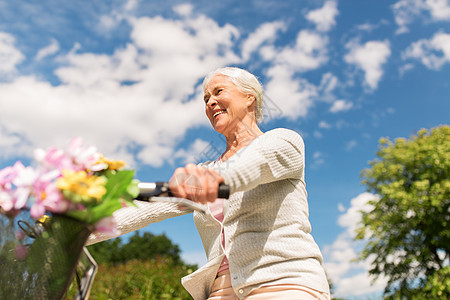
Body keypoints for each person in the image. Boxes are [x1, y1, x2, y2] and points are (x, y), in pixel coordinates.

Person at [87, 67, 331, 299]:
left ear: (250, 98)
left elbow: (250, 167)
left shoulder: (283, 141)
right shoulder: (205, 173)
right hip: (221, 290)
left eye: (218, 92)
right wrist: (72, 230)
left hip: (284, 281)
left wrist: (214, 182)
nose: (210, 102)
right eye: (206, 99)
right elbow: (142, 210)